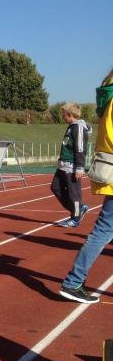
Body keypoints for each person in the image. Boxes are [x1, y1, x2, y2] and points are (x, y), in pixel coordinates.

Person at [59, 68, 113, 303]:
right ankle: (73, 281)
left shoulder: (108, 94)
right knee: (104, 229)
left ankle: (74, 281)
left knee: (104, 229)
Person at [51, 102, 90, 227]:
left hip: (72, 166)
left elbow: (80, 148)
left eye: (63, 115)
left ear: (69, 114)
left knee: (74, 194)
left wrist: (80, 167)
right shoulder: (71, 127)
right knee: (55, 187)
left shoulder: (79, 127)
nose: (62, 117)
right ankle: (78, 209)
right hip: (62, 165)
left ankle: (75, 218)